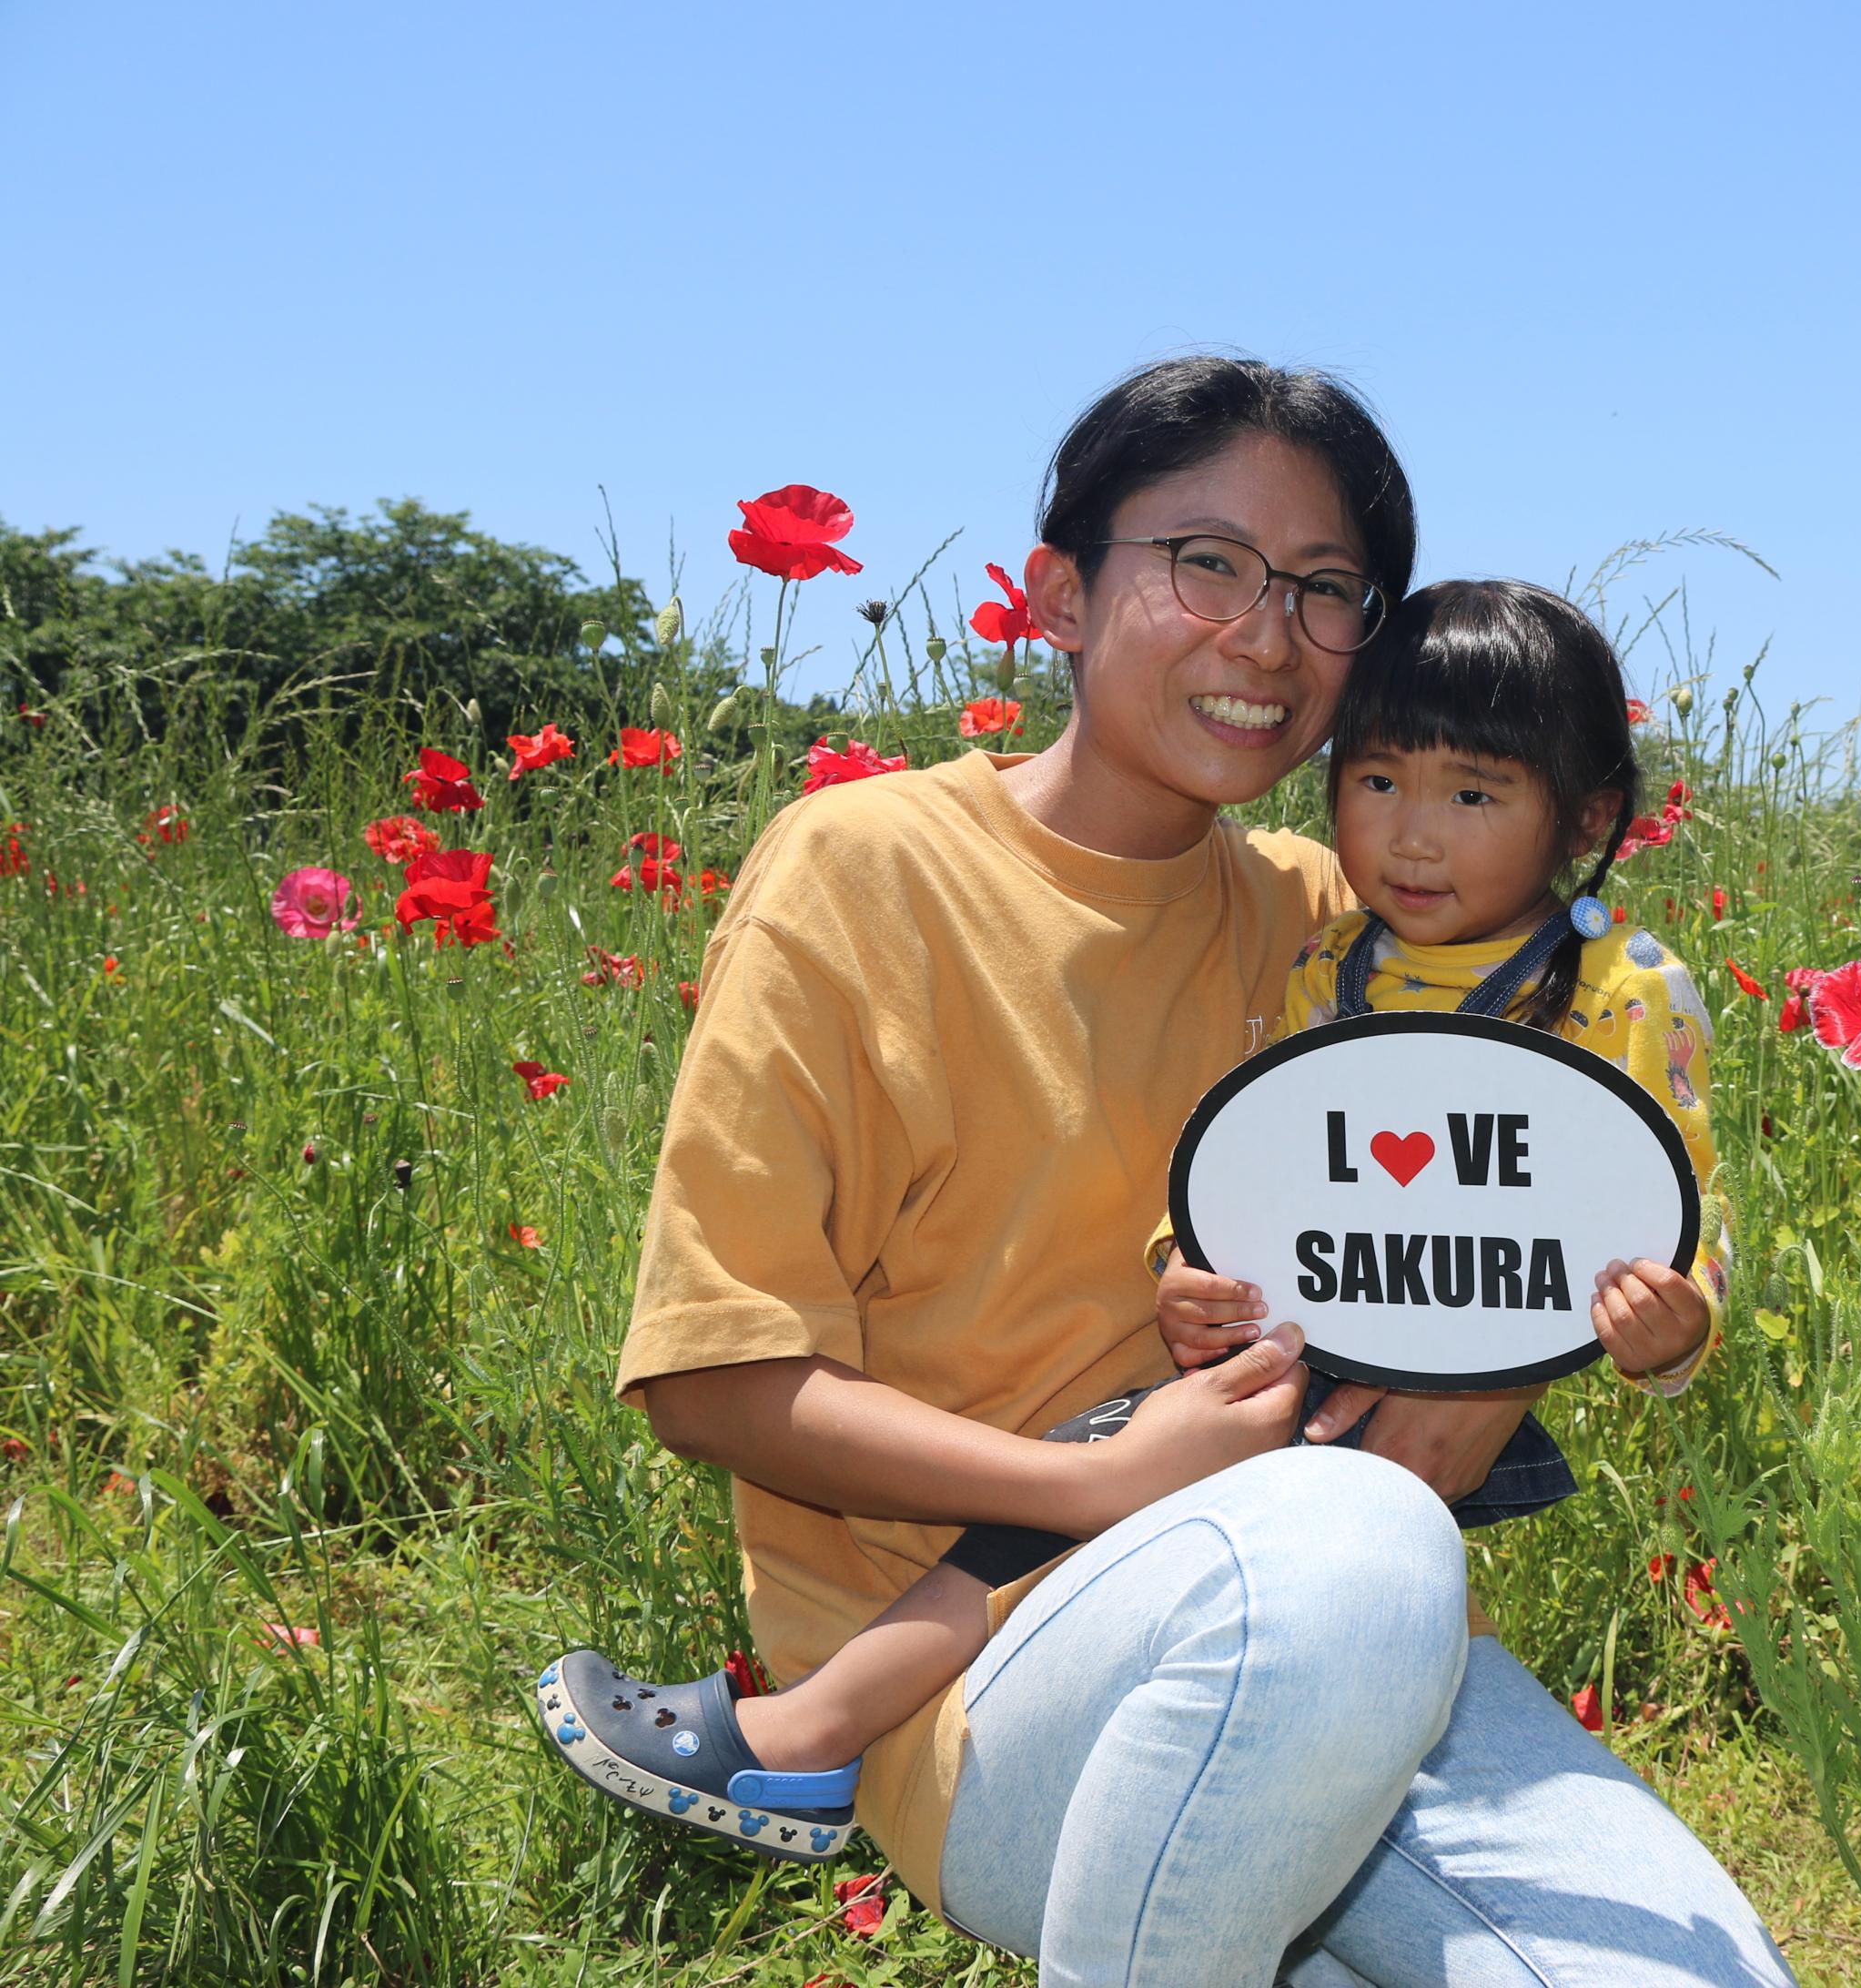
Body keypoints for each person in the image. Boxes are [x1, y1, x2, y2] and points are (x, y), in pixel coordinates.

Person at [536, 356, 1796, 1985]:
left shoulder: (1345, 913)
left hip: (1359, 1646)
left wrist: (1512, 1365)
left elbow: (1554, 1169)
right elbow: (713, 1383)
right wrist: (1102, 1483)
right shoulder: (866, 871)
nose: (1266, 637)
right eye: (1208, 564)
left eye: (1324, 589)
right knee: (1353, 1545)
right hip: (981, 1683)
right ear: (1059, 594)